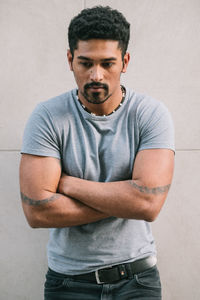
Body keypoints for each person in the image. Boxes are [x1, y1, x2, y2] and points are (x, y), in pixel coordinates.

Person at [19, 6, 175, 300]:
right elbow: (37, 211)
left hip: (137, 280)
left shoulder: (150, 114)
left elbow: (148, 205)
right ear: (70, 59)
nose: (96, 75)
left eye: (108, 63)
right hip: (68, 283)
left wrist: (68, 184)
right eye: (85, 63)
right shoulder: (47, 117)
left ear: (125, 61)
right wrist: (126, 200)